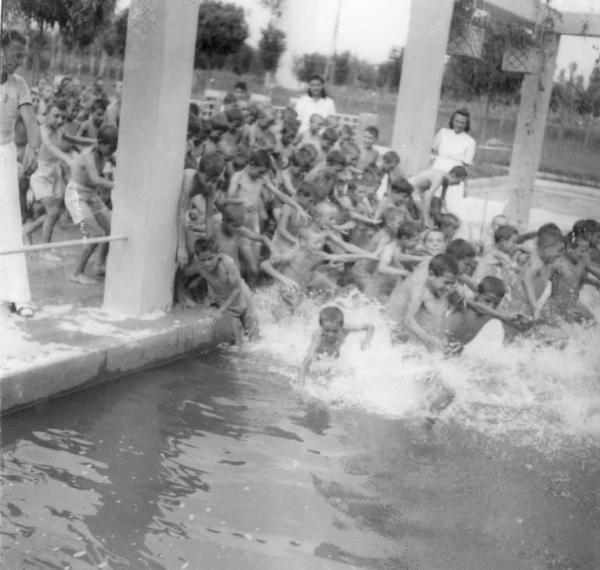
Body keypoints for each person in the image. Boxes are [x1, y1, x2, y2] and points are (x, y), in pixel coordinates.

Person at [0, 29, 41, 318]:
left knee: (10, 225)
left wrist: (33, 149)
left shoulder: (19, 85)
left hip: (4, 153)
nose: (18, 61)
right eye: (14, 54)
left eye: (21, 56)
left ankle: (17, 295)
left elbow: (30, 122)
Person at [64, 125, 118, 284]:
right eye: (111, 148)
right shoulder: (88, 155)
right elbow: (95, 179)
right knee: (95, 234)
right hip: (76, 194)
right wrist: (118, 184)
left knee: (111, 227)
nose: (112, 151)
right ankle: (77, 273)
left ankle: (100, 263)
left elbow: (114, 161)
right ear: (101, 143)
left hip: (91, 194)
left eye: (115, 148)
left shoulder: (105, 152)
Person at [188, 236, 258, 345]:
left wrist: (221, 310)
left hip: (242, 296)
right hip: (225, 301)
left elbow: (237, 290)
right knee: (238, 344)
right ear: (198, 257)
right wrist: (183, 298)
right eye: (203, 260)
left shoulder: (227, 264)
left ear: (218, 255)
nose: (207, 263)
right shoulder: (197, 265)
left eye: (210, 258)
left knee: (254, 338)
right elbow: (181, 276)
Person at [387, 253, 459, 352]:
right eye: (446, 283)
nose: (449, 287)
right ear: (431, 274)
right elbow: (408, 319)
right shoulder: (419, 290)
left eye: (451, 284)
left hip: (420, 334)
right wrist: (427, 339)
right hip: (399, 330)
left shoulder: (440, 290)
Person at [299, 306, 374, 384]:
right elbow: (305, 363)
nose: (330, 334)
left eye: (335, 331)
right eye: (327, 330)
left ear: (341, 326)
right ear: (321, 326)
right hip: (318, 360)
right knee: (315, 373)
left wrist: (367, 339)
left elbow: (370, 326)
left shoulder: (345, 328)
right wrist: (300, 386)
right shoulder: (318, 336)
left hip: (334, 359)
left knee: (347, 373)